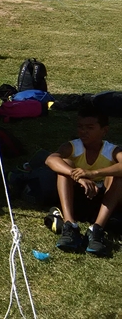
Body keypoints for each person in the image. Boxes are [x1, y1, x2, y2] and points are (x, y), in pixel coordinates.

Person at [45, 102, 121, 257]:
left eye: (90, 127)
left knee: (118, 175)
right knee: (65, 165)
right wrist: (78, 177)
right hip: (78, 197)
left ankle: (97, 229)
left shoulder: (112, 150)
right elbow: (50, 159)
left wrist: (93, 173)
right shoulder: (73, 147)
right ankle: (70, 225)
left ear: (104, 130)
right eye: (80, 127)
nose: (83, 131)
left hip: (102, 201)